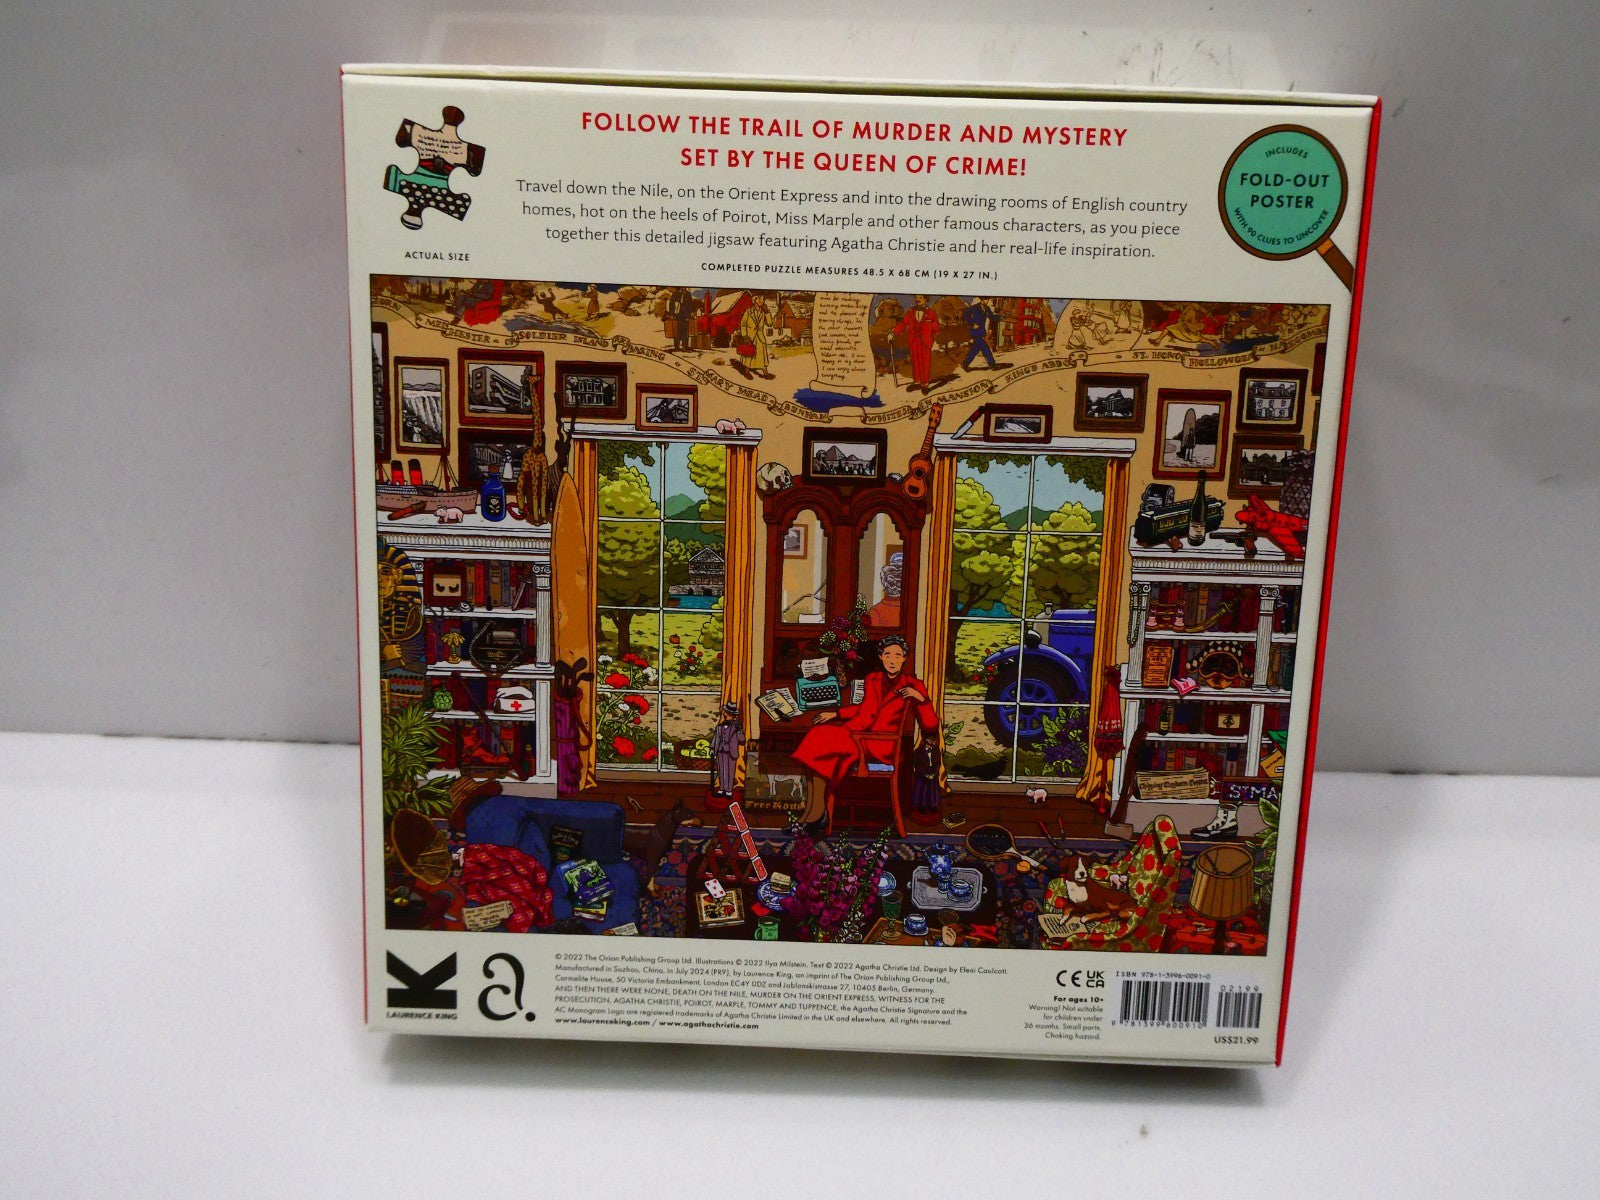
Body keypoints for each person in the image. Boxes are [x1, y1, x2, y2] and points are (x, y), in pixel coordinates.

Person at [792, 635, 939, 833]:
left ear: (905, 658)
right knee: (818, 735)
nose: (892, 660)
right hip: (858, 733)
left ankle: (816, 814)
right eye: (888, 655)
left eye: (898, 655)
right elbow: (866, 710)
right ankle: (811, 814)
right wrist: (836, 714)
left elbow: (931, 725)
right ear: (881, 657)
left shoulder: (914, 685)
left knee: (822, 744)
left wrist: (921, 699)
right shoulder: (873, 678)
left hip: (880, 744)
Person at [893, 294, 940, 393]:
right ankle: (917, 382)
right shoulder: (911, 311)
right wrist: (893, 334)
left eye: (920, 298)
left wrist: (933, 339)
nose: (917, 300)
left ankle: (925, 384)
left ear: (925, 299)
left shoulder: (931, 313)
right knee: (915, 361)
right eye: (916, 297)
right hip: (914, 341)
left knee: (925, 363)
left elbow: (936, 328)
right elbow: (903, 323)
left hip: (926, 342)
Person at [709, 701, 746, 797]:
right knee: (721, 770)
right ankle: (721, 788)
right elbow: (716, 738)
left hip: (731, 753)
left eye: (727, 713)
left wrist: (739, 731)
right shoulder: (720, 727)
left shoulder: (736, 728)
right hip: (720, 751)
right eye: (725, 713)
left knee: (730, 771)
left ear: (732, 715)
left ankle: (729, 790)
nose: (725, 714)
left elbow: (742, 740)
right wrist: (712, 748)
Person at [733, 294, 774, 379]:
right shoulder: (748, 311)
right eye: (759, 299)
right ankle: (747, 372)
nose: (761, 301)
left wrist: (767, 312)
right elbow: (743, 324)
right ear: (754, 300)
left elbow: (770, 324)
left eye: (762, 299)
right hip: (750, 337)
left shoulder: (763, 312)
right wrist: (745, 336)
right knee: (749, 355)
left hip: (760, 337)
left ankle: (765, 373)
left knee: (761, 356)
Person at [961, 296, 997, 371]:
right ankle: (992, 365)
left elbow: (992, 316)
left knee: (974, 350)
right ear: (981, 300)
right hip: (975, 332)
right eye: (985, 300)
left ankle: (965, 364)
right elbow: (965, 314)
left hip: (981, 332)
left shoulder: (987, 308)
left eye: (988, 300)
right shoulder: (975, 307)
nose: (987, 301)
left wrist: (1001, 316)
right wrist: (972, 323)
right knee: (985, 349)